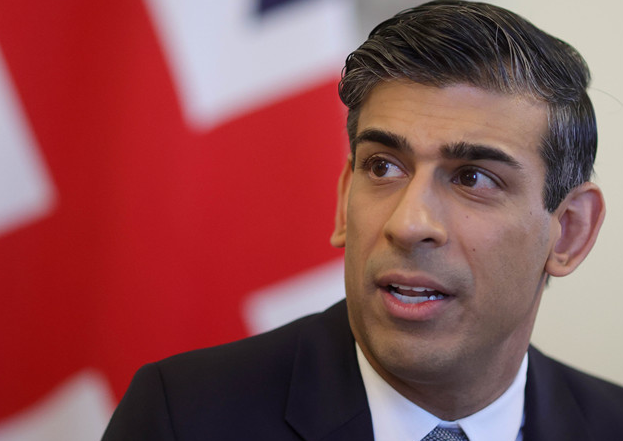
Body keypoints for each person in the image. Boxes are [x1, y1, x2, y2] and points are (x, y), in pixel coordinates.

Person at [102, 1, 623, 440]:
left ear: (570, 232)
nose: (409, 223)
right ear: (344, 199)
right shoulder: (184, 418)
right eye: (383, 167)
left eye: (473, 178)